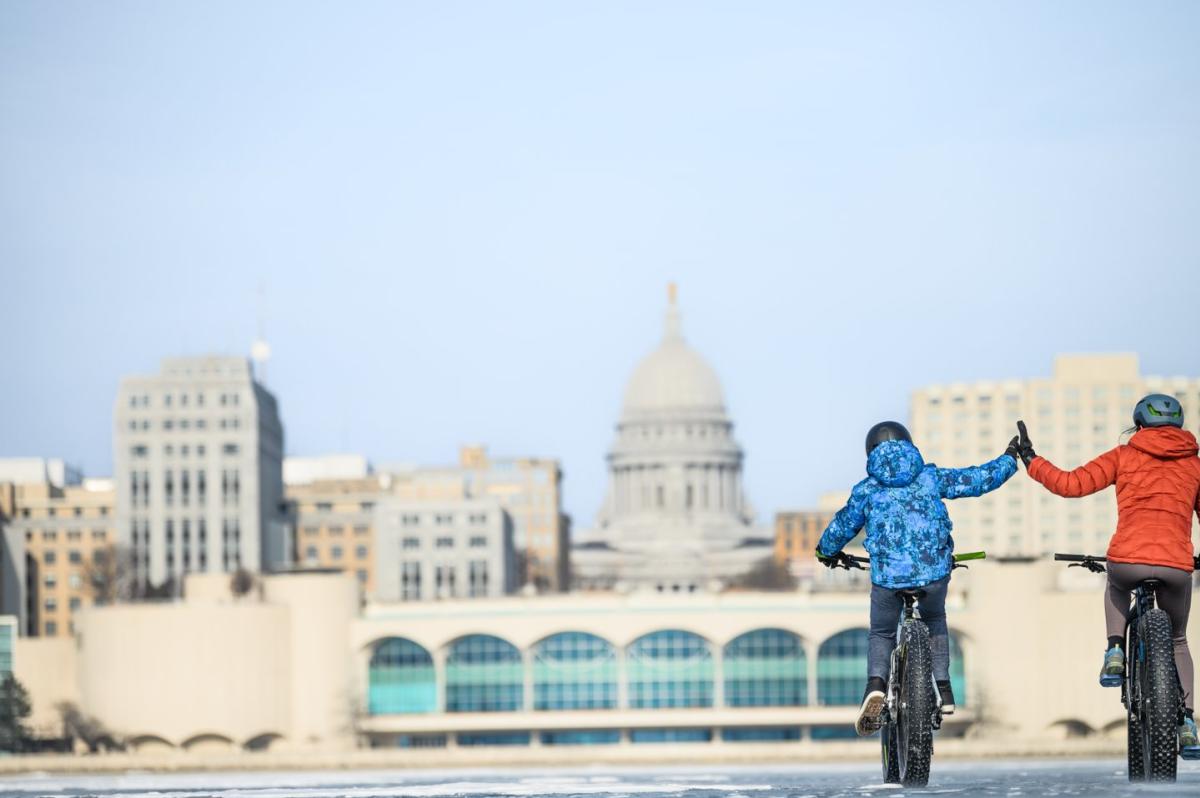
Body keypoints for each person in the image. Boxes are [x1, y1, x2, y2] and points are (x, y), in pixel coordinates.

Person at [1014, 394, 1200, 759]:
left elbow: (1070, 484)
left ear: (1140, 425)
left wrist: (1031, 460)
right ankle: (1188, 724)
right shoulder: (1195, 465)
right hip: (1177, 565)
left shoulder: (1123, 456)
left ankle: (1115, 649)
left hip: (1128, 559)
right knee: (1177, 640)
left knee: (1115, 582)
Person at [816, 420, 1019, 736]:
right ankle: (944, 688)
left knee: (882, 632)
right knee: (935, 618)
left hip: (888, 579)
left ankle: (876, 685)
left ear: (870, 452)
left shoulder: (867, 490)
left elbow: (841, 527)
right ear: (909, 446)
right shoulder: (930, 478)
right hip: (934, 575)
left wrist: (826, 552)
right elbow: (977, 480)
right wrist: (1010, 457)